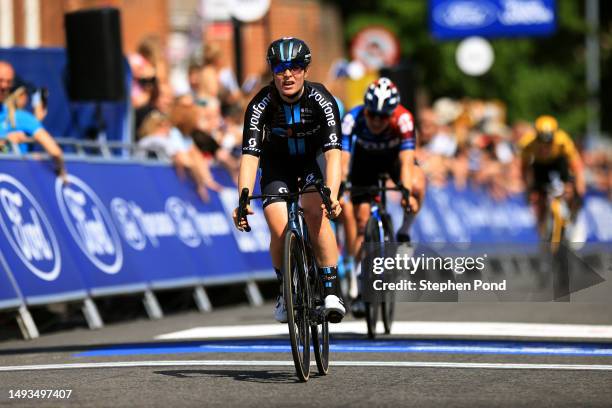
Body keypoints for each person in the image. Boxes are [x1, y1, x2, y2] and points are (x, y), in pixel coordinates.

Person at [232, 37, 345, 324]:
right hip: (277, 165)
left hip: (312, 161)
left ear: (305, 70)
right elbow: (249, 157)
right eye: (280, 68)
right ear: (272, 71)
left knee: (313, 209)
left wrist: (332, 194)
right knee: (278, 225)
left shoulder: (321, 99)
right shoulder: (261, 104)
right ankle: (286, 291)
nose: (287, 74)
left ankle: (331, 290)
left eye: (295, 67)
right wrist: (243, 197)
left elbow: (333, 155)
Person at [341, 78, 426, 311]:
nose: (377, 120)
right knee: (361, 223)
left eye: (383, 116)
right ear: (365, 109)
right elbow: (343, 159)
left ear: (392, 113)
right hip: (363, 164)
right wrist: (341, 185)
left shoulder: (404, 119)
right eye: (372, 115)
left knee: (418, 183)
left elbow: (407, 161)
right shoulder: (352, 119)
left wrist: (407, 192)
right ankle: (359, 283)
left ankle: (405, 233)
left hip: (394, 160)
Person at [519, 115, 586, 238]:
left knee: (571, 190)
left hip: (559, 163)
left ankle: (574, 217)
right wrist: (528, 187)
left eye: (549, 142)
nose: (545, 147)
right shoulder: (527, 144)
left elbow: (577, 166)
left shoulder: (563, 141)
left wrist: (578, 188)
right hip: (540, 165)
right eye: (541, 141)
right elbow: (524, 168)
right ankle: (541, 227)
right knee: (538, 196)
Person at [0, 61, 67, 182]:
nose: (4, 86)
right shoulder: (22, 118)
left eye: (8, 82)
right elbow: (55, 152)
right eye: (1, 80)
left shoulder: (22, 118)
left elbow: (55, 152)